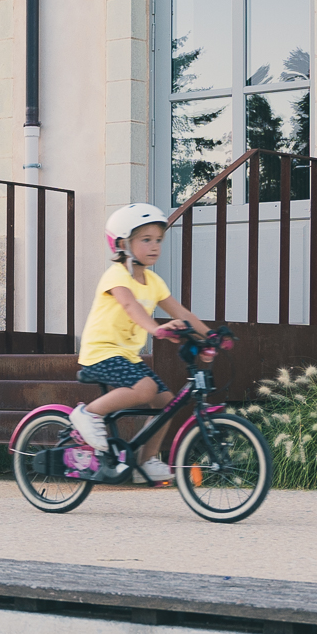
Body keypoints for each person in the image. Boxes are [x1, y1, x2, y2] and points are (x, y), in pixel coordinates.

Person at [67, 203, 211, 482]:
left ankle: (145, 462)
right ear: (123, 243)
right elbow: (131, 307)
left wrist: (211, 336)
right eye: (146, 239)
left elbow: (181, 313)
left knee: (166, 402)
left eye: (158, 240)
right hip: (101, 353)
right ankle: (87, 414)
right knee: (145, 389)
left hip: (126, 357)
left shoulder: (154, 281)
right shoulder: (116, 276)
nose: (155, 246)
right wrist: (156, 330)